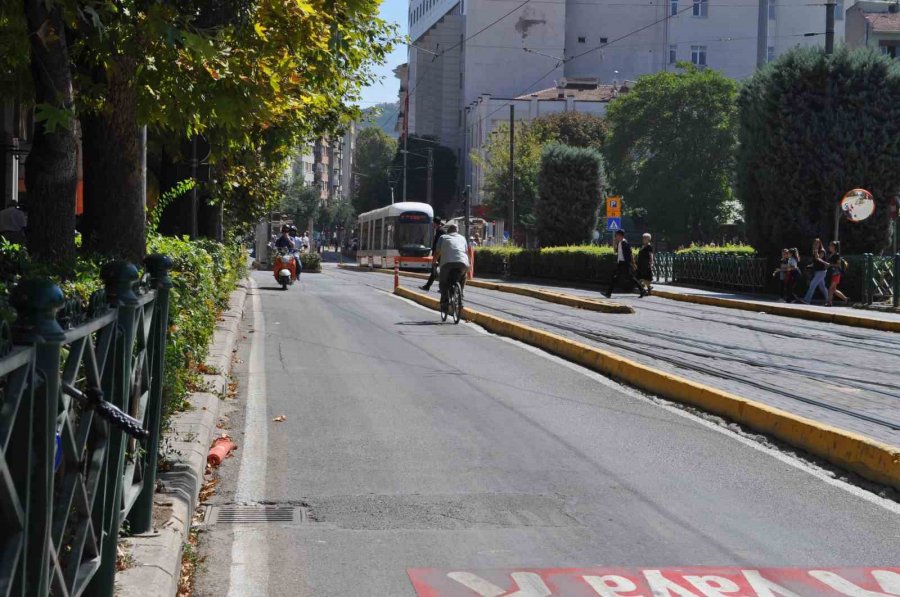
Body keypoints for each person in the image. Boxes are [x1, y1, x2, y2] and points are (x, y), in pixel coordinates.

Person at [435, 224, 470, 310]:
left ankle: (445, 301)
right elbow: (465, 251)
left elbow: (437, 252)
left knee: (443, 282)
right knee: (463, 276)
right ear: (457, 231)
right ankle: (461, 295)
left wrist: (434, 262)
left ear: (448, 231)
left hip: (447, 264)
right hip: (463, 263)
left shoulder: (443, 237)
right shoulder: (463, 238)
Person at [604, 230, 644, 298]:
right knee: (621, 277)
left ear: (620, 236)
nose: (615, 237)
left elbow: (629, 253)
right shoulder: (620, 243)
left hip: (624, 263)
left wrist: (632, 263)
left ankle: (608, 293)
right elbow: (615, 251)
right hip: (621, 263)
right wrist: (614, 243)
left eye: (616, 236)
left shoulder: (624, 243)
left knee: (623, 277)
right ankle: (608, 293)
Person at [420, 216, 447, 292]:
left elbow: (440, 244)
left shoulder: (441, 231)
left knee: (436, 271)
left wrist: (436, 254)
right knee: (435, 272)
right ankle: (431, 286)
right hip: (438, 254)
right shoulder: (439, 230)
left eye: (433, 223)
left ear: (435, 223)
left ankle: (428, 286)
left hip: (439, 254)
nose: (433, 225)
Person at [803, 238, 829, 304]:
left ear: (820, 243)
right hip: (817, 271)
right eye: (815, 243)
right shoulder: (815, 251)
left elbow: (818, 259)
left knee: (812, 284)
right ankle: (829, 300)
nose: (816, 244)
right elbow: (815, 262)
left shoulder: (822, 251)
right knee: (822, 288)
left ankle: (807, 300)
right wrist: (811, 265)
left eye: (817, 243)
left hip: (821, 272)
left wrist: (816, 251)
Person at [826, 241, 848, 306]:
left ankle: (829, 302)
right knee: (834, 290)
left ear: (834, 247)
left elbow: (838, 265)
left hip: (836, 274)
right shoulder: (831, 255)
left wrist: (830, 265)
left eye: (830, 246)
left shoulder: (837, 255)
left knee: (831, 289)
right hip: (832, 273)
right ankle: (845, 299)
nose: (829, 247)